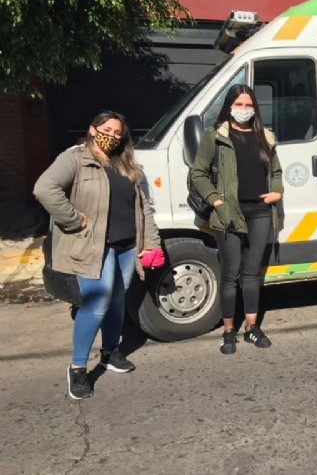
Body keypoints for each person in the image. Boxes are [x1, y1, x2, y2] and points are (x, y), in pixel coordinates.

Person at [34, 111, 162, 400]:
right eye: (107, 129)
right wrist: (71, 219)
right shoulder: (75, 159)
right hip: (93, 247)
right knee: (97, 303)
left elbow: (144, 209)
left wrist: (151, 243)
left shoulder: (128, 165)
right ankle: (78, 367)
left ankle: (109, 352)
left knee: (118, 299)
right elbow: (44, 188)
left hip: (126, 246)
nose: (113, 136)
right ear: (92, 130)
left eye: (118, 133)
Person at [190, 84, 284, 354]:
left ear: (254, 108)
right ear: (229, 106)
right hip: (228, 214)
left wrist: (276, 191)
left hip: (260, 212)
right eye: (239, 104)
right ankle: (228, 330)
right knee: (231, 274)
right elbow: (199, 173)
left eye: (248, 105)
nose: (243, 110)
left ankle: (251, 327)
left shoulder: (265, 136)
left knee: (252, 273)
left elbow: (276, 170)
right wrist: (217, 201)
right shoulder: (215, 136)